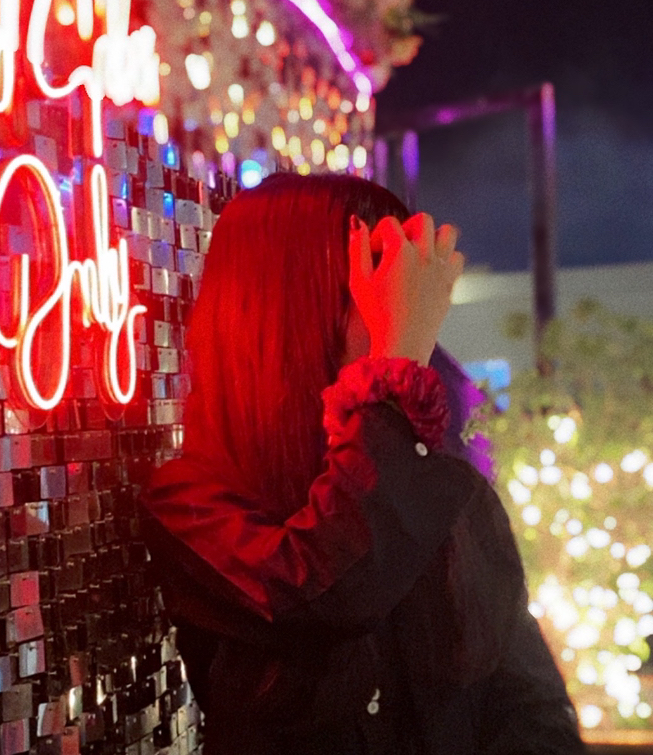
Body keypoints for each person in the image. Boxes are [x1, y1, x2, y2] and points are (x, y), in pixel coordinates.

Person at [141, 173, 585, 755]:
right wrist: (393, 368)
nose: (403, 304)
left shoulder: (444, 485)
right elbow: (327, 593)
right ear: (293, 303)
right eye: (377, 275)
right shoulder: (192, 504)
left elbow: (528, 705)